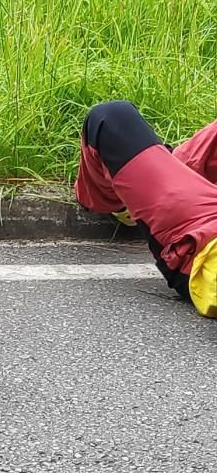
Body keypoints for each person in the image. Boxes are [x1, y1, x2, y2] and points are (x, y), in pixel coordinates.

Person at [75, 100, 217, 317]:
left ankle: (128, 197)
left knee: (110, 118)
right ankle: (175, 168)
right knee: (113, 117)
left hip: (202, 236)